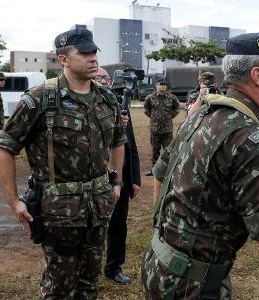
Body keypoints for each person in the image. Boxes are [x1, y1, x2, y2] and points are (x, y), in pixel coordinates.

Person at [141, 32, 259, 299]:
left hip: (160, 265)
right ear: (258, 76)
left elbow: (161, 175)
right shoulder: (246, 136)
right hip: (192, 286)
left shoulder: (203, 112)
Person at [0, 28, 126, 299]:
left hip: (98, 208)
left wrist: (116, 182)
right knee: (60, 287)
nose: (93, 58)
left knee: (90, 283)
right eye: (84, 53)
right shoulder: (40, 99)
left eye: (94, 52)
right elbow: (5, 147)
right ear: (64, 59)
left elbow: (118, 141)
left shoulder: (107, 99)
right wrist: (13, 202)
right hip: (59, 213)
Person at [95, 67, 141, 285]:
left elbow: (130, 144)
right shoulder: (84, 105)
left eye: (105, 77)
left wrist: (134, 179)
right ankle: (88, 268)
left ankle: (114, 267)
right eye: (99, 77)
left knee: (118, 225)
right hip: (95, 177)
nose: (104, 81)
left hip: (119, 178)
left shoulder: (118, 104)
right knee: (92, 227)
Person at [143, 78, 180, 176]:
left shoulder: (172, 97)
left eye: (165, 84)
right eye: (161, 84)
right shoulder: (150, 98)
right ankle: (154, 171)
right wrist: (154, 118)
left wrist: (169, 118)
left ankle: (169, 171)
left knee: (169, 151)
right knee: (155, 151)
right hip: (155, 130)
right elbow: (146, 110)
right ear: (156, 85)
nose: (163, 86)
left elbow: (177, 109)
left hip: (167, 130)